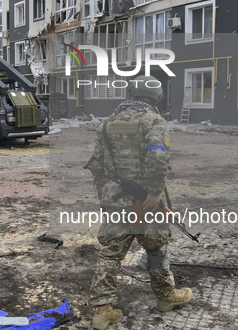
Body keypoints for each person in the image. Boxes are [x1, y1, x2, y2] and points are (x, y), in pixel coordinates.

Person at [88, 76, 192, 330]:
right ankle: (166, 297)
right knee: (157, 247)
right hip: (146, 201)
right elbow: (158, 157)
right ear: (155, 97)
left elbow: (97, 165)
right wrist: (155, 193)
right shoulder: (153, 120)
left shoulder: (107, 123)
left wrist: (106, 194)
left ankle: (103, 311)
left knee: (110, 253)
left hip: (114, 200)